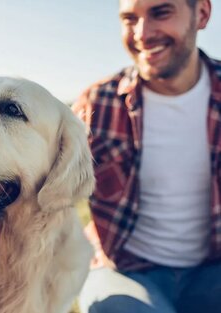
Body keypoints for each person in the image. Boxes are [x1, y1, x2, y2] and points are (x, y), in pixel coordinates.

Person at [73, 0, 221, 312]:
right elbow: (37, 181)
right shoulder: (97, 104)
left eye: (161, 12)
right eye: (130, 19)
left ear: (202, 14)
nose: (142, 33)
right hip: (125, 271)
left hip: (212, 271)